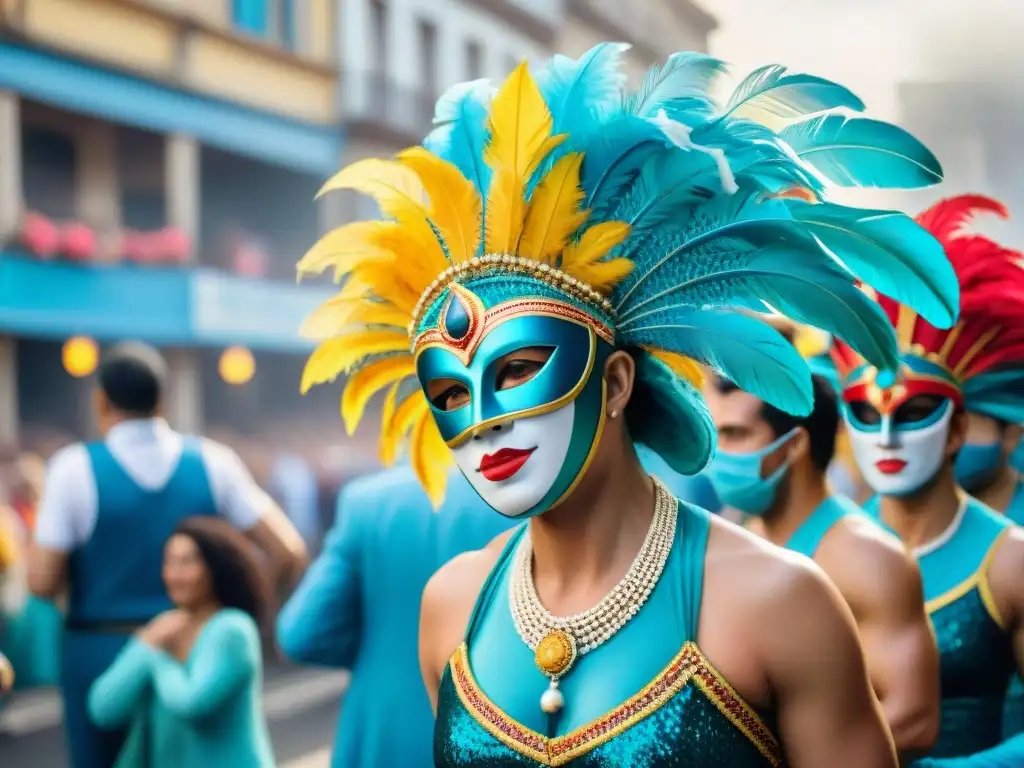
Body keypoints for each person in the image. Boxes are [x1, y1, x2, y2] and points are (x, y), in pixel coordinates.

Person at [297, 44, 955, 765]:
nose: (486, 420)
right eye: (451, 393)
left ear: (613, 383)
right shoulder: (451, 606)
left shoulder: (779, 602)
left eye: (519, 369)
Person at [27, 341, 307, 768]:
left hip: (101, 652)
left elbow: (41, 582)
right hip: (196, 649)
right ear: (164, 399)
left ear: (100, 401)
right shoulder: (213, 460)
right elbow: (287, 550)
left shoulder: (72, 467)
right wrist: (232, 610)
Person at [817, 194, 1024, 764]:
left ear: (957, 428)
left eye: (912, 412)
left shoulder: (1010, 561)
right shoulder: (824, 552)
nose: (885, 436)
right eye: (864, 412)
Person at [702, 368, 940, 759]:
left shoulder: (868, 558)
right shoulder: (735, 535)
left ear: (793, 445)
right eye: (716, 433)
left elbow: (913, 718)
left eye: (735, 435)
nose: (717, 453)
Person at [277, 466, 515, 767]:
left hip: (381, 742)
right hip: (489, 739)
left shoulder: (367, 501)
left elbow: (301, 636)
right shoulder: (529, 500)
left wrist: (375, 650)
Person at [88, 516, 274, 767]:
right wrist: (145, 644)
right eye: (169, 561)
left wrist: (156, 655)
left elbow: (192, 704)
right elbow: (103, 709)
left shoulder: (232, 629)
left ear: (215, 568)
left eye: (188, 562)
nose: (175, 574)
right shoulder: (163, 630)